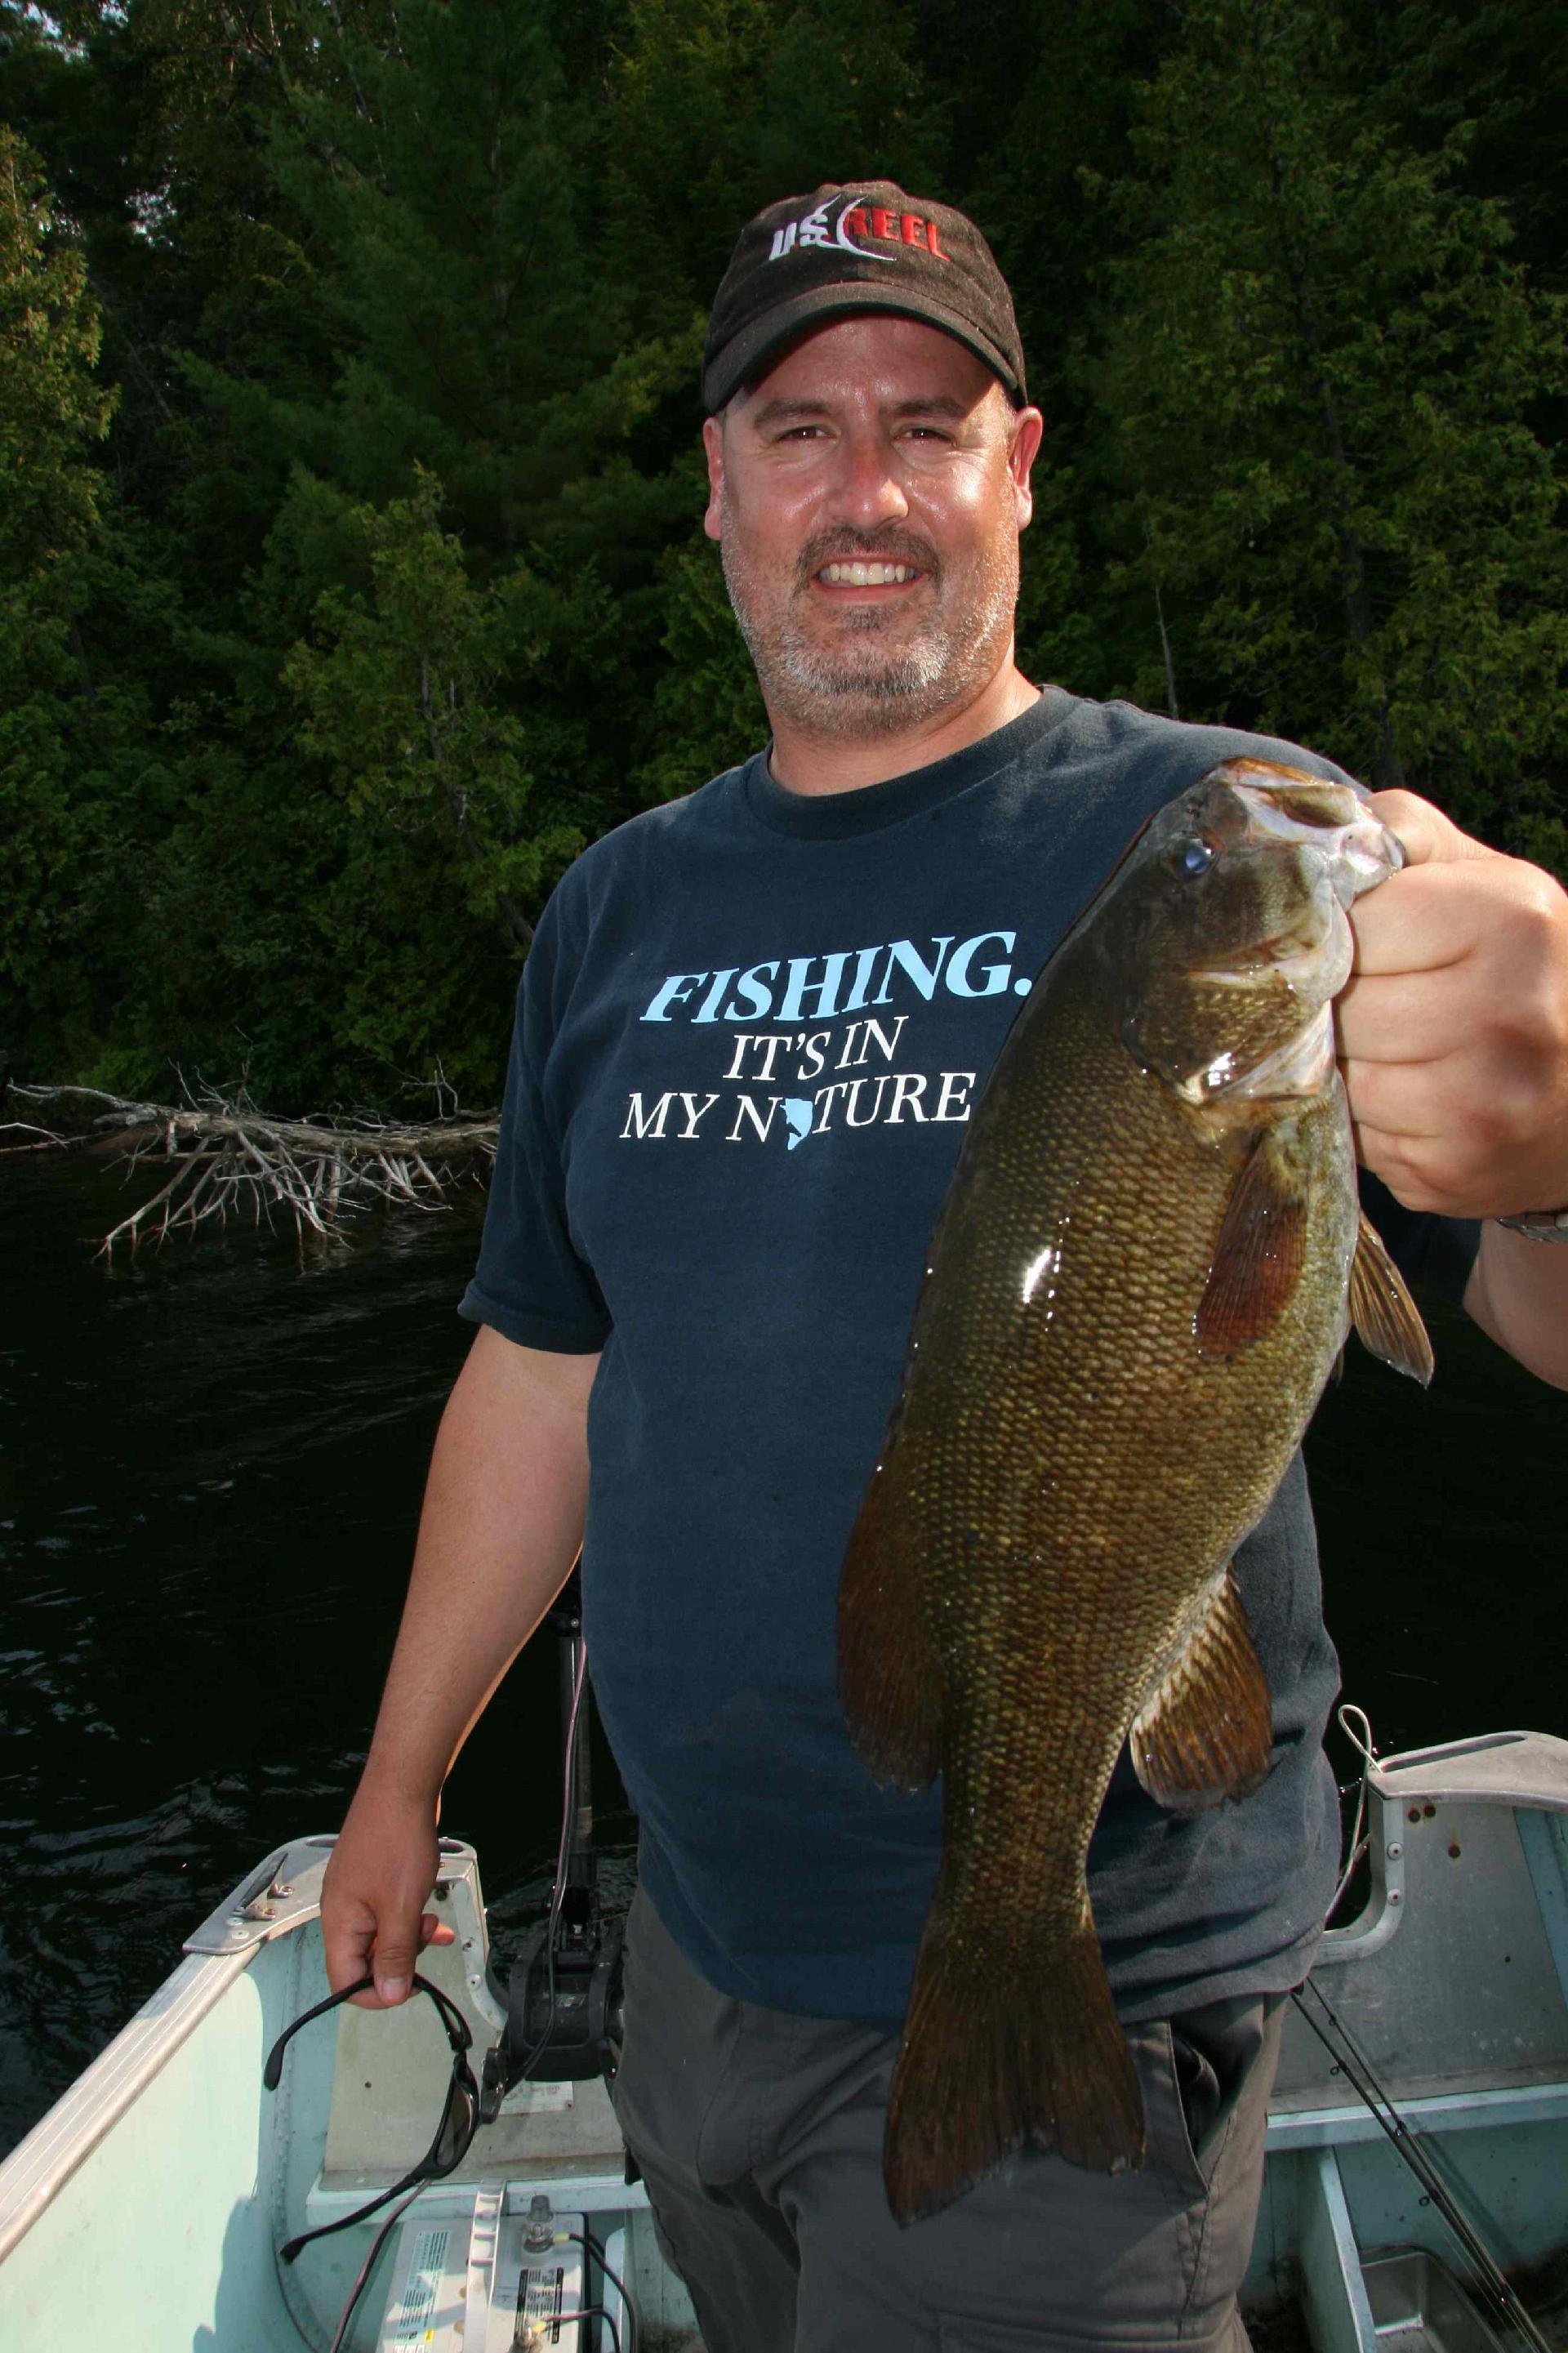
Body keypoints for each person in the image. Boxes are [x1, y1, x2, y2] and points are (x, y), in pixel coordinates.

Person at [321, 183, 1568, 2349]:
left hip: (1112, 1961)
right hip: (701, 1966)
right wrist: (402, 1773)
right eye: (798, 428)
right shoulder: (613, 915)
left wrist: (1551, 1155)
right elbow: (542, 1374)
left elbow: (1532, 1307)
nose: (865, 488)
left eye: (929, 419)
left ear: (1023, 467)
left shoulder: (1237, 837)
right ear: (716, 487)